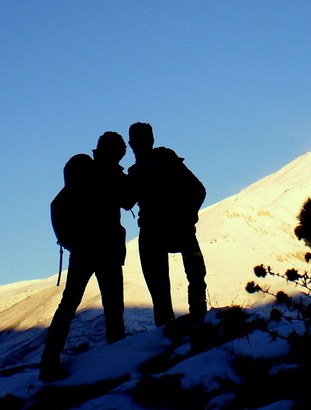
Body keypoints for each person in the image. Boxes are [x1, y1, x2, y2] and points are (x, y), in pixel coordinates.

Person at [40, 132, 134, 382]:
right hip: (107, 249)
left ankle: (48, 363)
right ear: (115, 152)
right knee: (113, 307)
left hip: (82, 249)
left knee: (68, 305)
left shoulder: (81, 172)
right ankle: (117, 361)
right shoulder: (111, 175)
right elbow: (128, 200)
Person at [127, 122, 207, 328]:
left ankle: (186, 320)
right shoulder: (145, 169)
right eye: (139, 140)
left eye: (143, 139)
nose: (142, 144)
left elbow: (198, 189)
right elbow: (198, 190)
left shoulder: (161, 163)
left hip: (167, 229)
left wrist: (188, 217)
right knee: (184, 277)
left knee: (185, 276)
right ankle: (186, 320)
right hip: (169, 230)